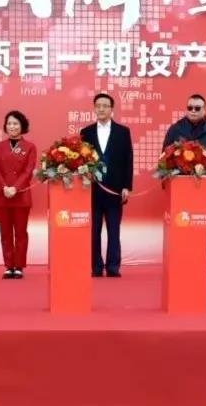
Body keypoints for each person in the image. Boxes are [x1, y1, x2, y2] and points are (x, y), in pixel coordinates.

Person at [80, 93, 134, 277]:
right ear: (94, 108)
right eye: (98, 106)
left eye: (105, 106)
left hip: (115, 190)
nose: (101, 109)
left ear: (112, 109)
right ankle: (96, 267)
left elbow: (128, 160)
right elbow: (82, 160)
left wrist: (127, 186)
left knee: (114, 230)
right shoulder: (86, 132)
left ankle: (113, 267)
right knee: (93, 231)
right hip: (93, 190)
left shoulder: (123, 131)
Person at [0, 111, 38, 279]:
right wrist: (4, 187)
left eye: (16, 123)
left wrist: (15, 188)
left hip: (21, 195)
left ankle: (18, 266)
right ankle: (8, 265)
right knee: (5, 232)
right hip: (2, 194)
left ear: (22, 126)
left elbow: (28, 171)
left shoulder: (30, 147)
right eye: (9, 123)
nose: (12, 127)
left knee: (20, 232)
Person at [163, 93, 206, 209]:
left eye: (197, 108)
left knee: (201, 217)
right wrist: (165, 180)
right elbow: (165, 156)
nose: (193, 111)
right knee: (180, 217)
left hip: (205, 185)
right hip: (179, 185)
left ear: (204, 109)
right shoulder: (175, 129)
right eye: (190, 108)